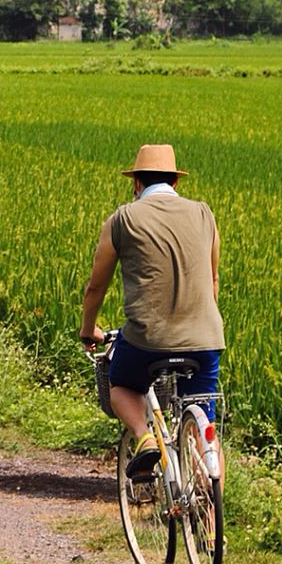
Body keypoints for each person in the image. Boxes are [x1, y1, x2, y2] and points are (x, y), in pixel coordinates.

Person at [79, 143, 224, 477]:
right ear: (175, 183)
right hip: (205, 339)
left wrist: (88, 329)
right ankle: (213, 517)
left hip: (146, 339)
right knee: (205, 422)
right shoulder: (204, 213)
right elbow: (213, 279)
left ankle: (145, 439)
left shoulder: (122, 219)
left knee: (122, 385)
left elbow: (95, 287)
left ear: (136, 183)